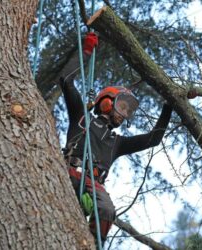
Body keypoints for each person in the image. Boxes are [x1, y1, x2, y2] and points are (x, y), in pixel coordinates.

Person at [58, 32, 172, 246]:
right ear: (107, 103)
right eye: (121, 106)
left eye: (128, 111)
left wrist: (169, 106)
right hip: (68, 173)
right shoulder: (82, 119)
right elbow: (66, 80)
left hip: (93, 186)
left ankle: (92, 242)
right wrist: (87, 50)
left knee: (107, 210)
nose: (124, 113)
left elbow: (153, 140)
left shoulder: (116, 143)